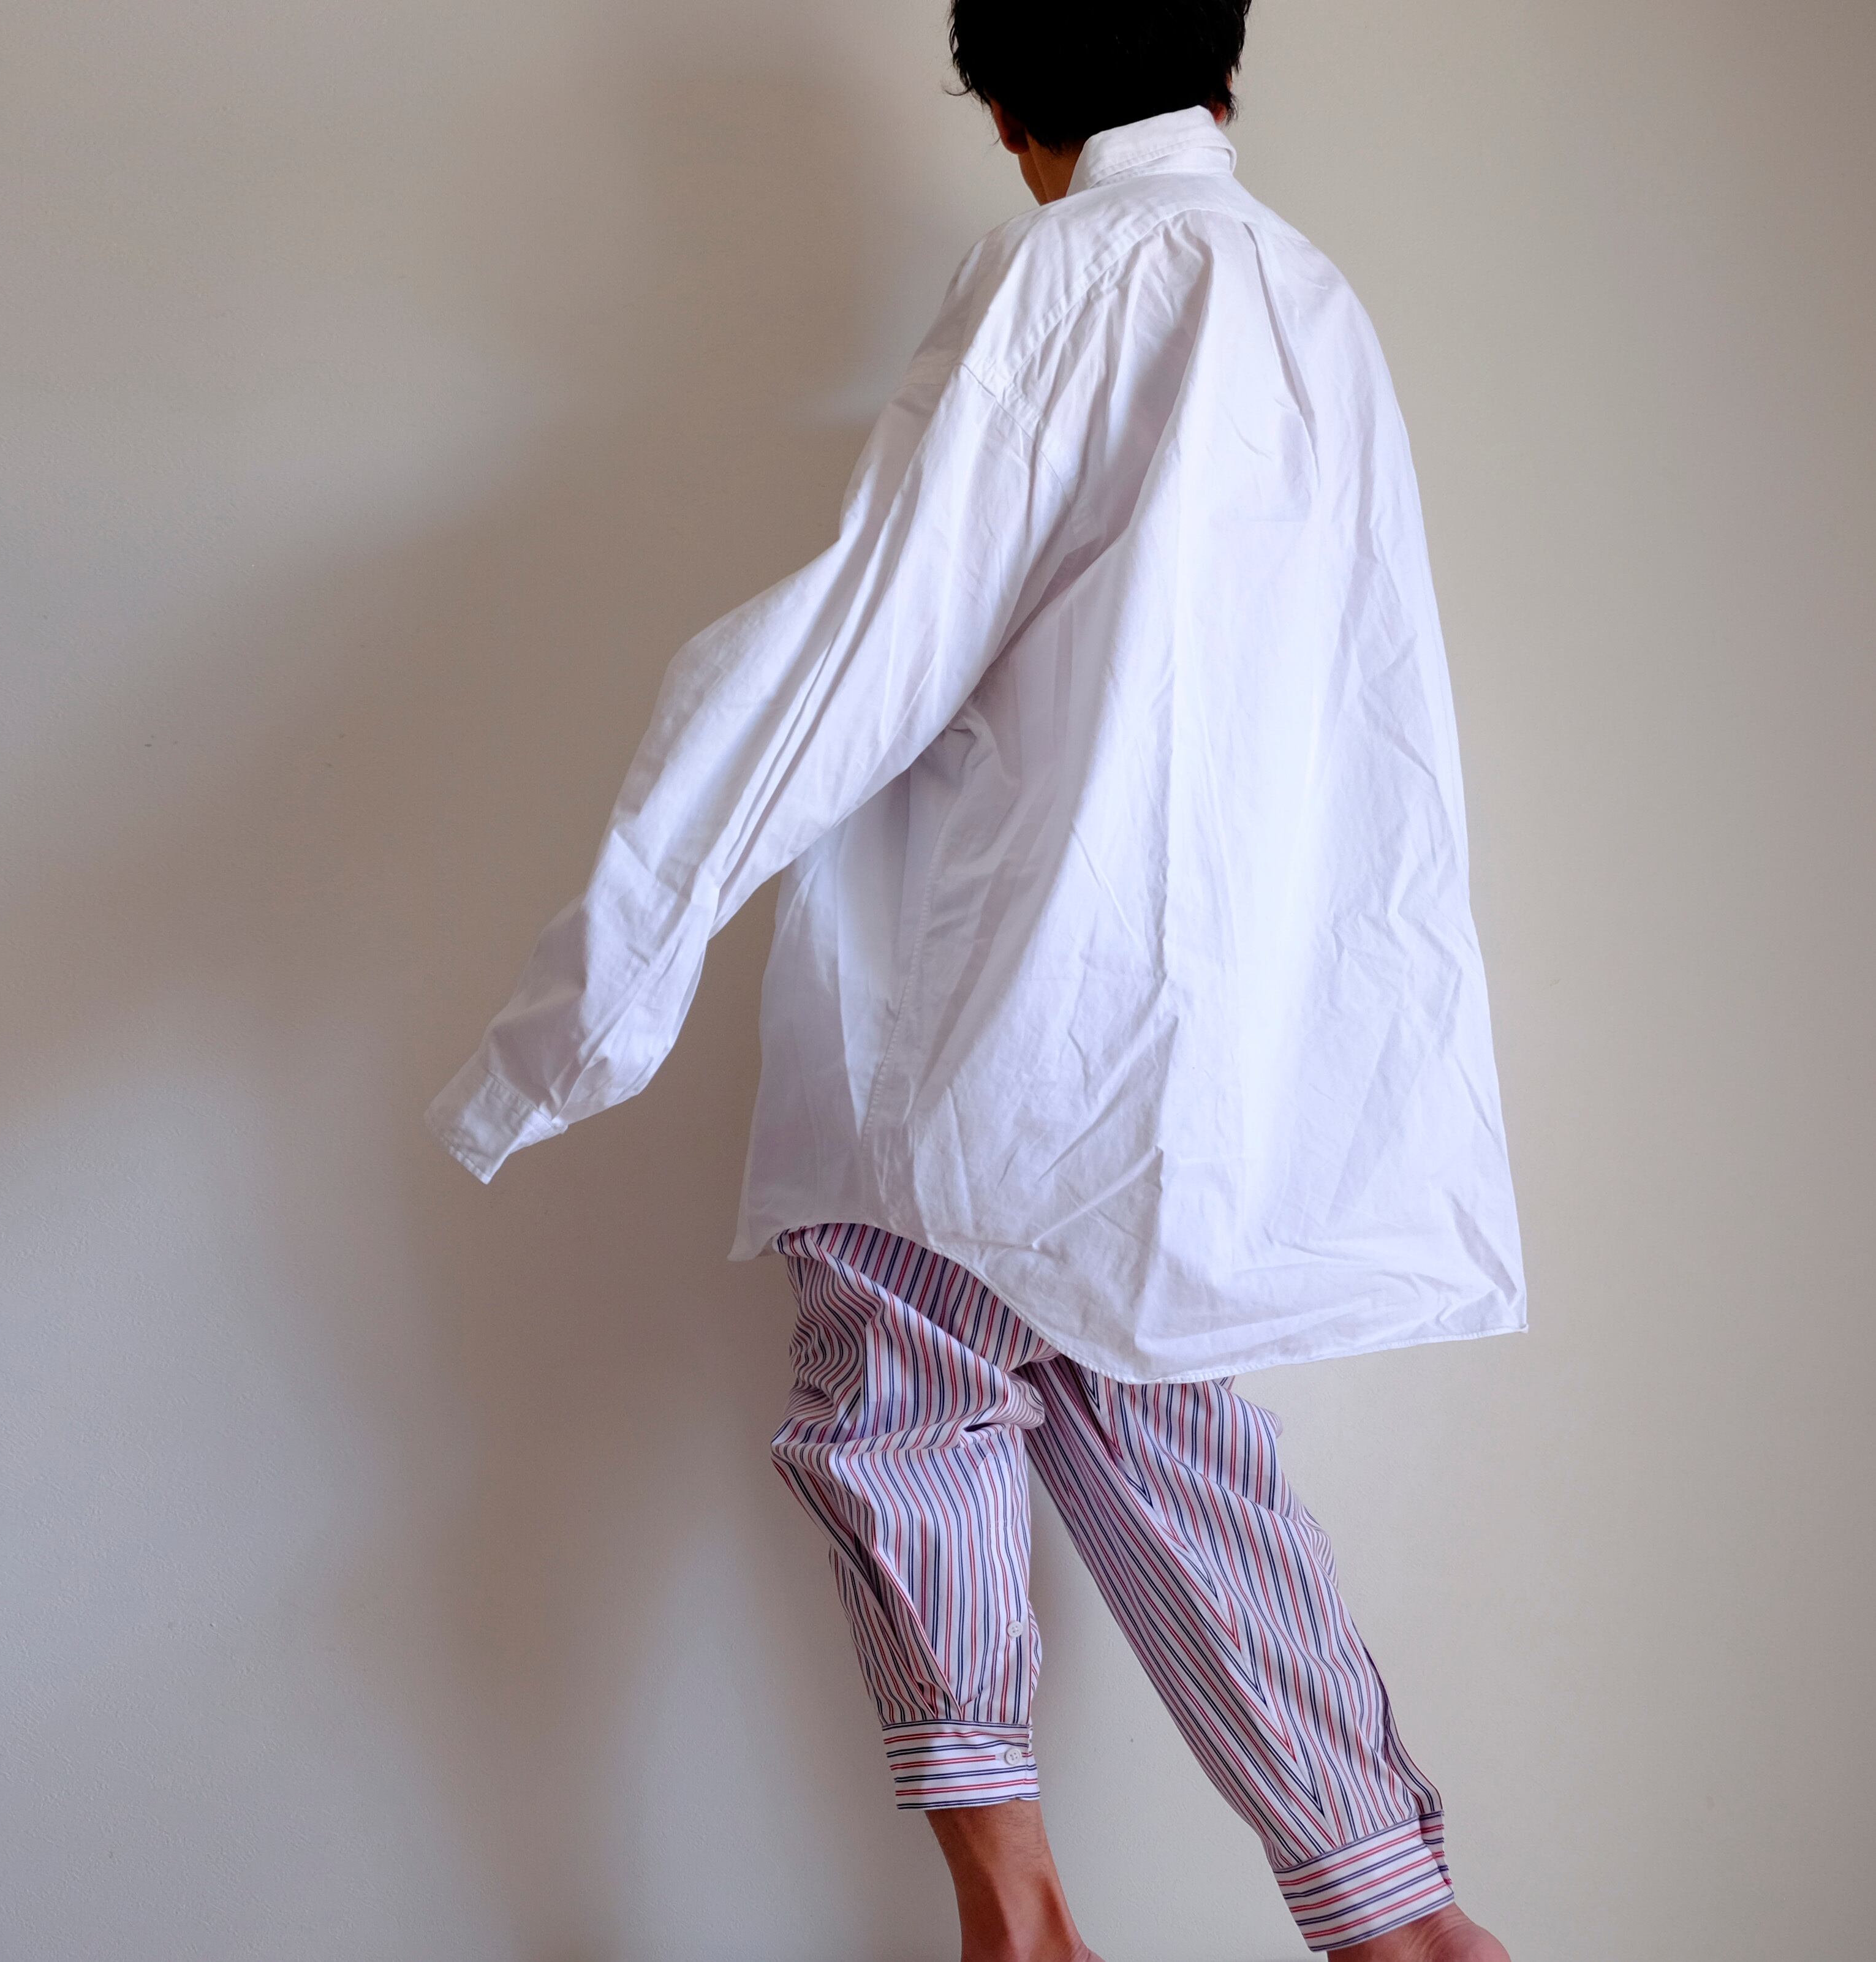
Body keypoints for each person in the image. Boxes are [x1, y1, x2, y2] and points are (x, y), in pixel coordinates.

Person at [423, 3, 1524, 1958]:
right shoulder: (1311, 303)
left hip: (995, 1014)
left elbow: (860, 651)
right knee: (1178, 1460)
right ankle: (1403, 1916)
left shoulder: (1064, 280)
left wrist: (578, 1015)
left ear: (1008, 103)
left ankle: (1017, 1921)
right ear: (1222, 71)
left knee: (903, 1406)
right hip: (1200, 1048)